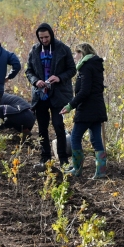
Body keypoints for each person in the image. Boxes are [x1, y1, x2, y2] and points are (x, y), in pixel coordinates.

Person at [25, 23, 76, 171]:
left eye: (46, 37)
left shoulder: (63, 49)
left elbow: (72, 69)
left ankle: (63, 159)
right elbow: (29, 71)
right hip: (40, 95)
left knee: (59, 125)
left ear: (51, 35)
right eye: (41, 38)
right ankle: (45, 157)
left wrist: (59, 78)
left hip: (58, 95)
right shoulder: (34, 50)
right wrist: (36, 81)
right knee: (42, 128)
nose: (44, 40)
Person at [59, 43, 108, 179]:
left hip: (87, 109)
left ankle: (77, 169)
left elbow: (84, 92)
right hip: (97, 108)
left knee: (75, 137)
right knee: (96, 139)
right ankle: (101, 171)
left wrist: (70, 106)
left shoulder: (86, 67)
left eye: (76, 53)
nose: (75, 57)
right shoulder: (97, 66)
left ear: (82, 53)